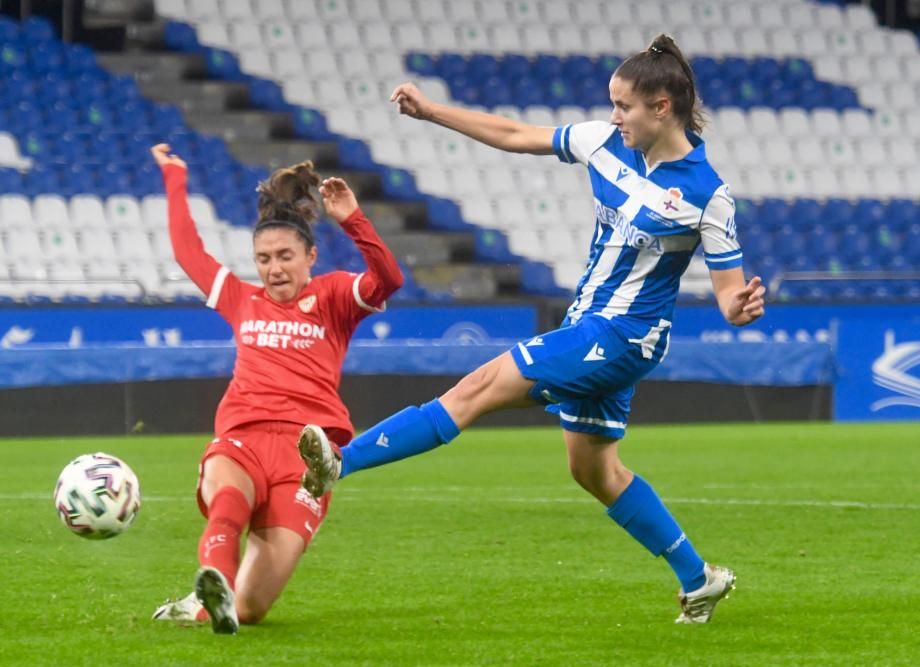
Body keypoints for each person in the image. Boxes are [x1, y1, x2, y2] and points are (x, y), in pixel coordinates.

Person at [298, 34, 765, 624]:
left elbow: (728, 295)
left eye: (624, 106)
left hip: (625, 336)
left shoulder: (708, 196)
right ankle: (699, 579)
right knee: (593, 470)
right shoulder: (603, 143)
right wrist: (433, 112)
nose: (614, 116)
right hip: (589, 324)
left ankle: (340, 461)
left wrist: (740, 307)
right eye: (613, 105)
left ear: (661, 108)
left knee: (476, 389)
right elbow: (518, 136)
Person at [148, 143, 403, 634]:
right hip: (244, 437)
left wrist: (353, 220)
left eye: (285, 256)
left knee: (251, 610)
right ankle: (214, 578)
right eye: (263, 259)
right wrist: (176, 177)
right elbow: (187, 251)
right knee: (229, 501)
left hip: (307, 458)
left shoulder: (332, 296)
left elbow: (388, 279)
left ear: (311, 255)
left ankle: (209, 603)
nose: (274, 269)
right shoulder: (241, 299)